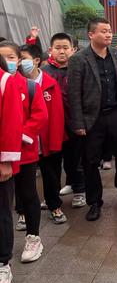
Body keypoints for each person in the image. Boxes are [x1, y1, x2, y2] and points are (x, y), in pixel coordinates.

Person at [67, 18, 117, 222]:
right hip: (92, 116)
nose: (108, 35)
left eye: (109, 31)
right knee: (90, 161)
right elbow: (73, 94)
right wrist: (79, 123)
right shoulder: (79, 59)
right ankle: (94, 202)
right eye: (103, 31)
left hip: (115, 111)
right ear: (91, 34)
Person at [0, 41, 48, 264]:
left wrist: (20, 135)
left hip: (25, 152)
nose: (7, 61)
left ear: (19, 60)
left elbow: (39, 115)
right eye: (3, 57)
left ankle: (33, 236)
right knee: (7, 200)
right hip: (4, 153)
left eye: (11, 57)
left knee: (28, 194)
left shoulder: (29, 86)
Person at [20, 44, 66, 224]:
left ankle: (54, 206)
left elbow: (57, 117)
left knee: (52, 176)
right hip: (25, 142)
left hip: (47, 141)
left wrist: (56, 142)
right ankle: (22, 212)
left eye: (23, 58)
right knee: (23, 180)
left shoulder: (50, 84)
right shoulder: (15, 84)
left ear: (37, 60)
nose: (21, 63)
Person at [42, 33, 86, 208]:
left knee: (75, 160)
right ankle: (52, 196)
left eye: (65, 48)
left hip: (74, 123)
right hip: (51, 126)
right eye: (58, 48)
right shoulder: (44, 72)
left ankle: (79, 191)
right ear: (50, 50)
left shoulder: (78, 70)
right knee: (51, 164)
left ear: (73, 50)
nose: (62, 51)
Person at [0, 57, 23, 283]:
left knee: (2, 211)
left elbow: (11, 122)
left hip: (0, 160)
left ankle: (2, 262)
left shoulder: (5, 81)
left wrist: (6, 160)